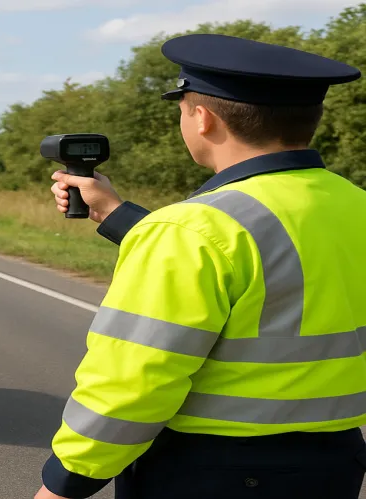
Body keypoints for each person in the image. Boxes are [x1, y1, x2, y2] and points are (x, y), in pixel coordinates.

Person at [35, 33, 366, 499]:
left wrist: (64, 482)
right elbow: (271, 268)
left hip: (210, 473)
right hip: (334, 463)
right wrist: (115, 213)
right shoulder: (355, 206)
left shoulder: (191, 230)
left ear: (202, 118)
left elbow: (133, 384)